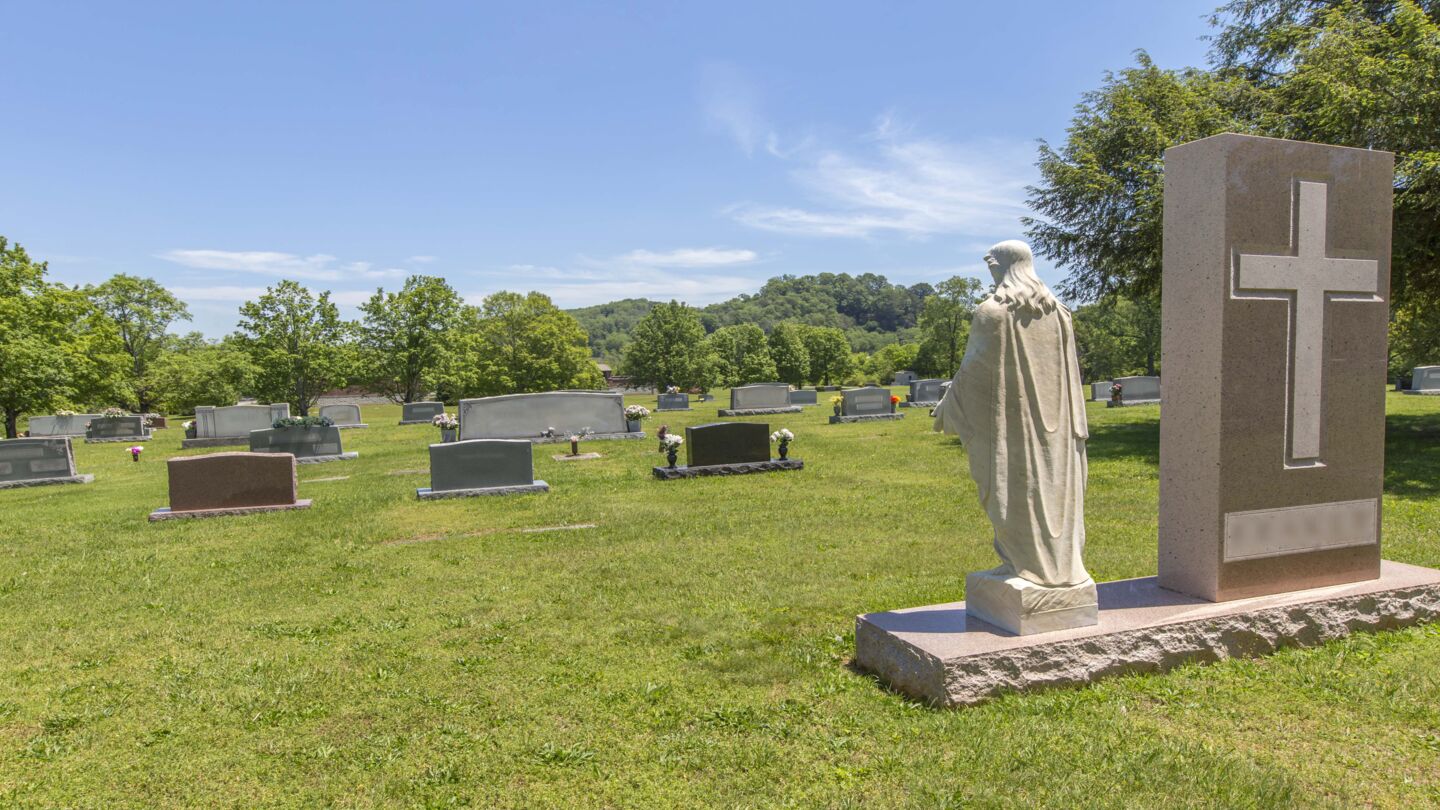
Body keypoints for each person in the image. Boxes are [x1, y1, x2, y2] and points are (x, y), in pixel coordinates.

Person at [933, 240, 1091, 589]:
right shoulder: (1060, 313)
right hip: (1059, 431)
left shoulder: (992, 312)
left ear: (1003, 266)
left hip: (1011, 428)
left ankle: (1027, 566)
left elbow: (975, 371)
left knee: (1015, 489)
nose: (989, 266)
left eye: (993, 263)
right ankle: (1043, 565)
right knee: (1050, 489)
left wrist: (950, 403)